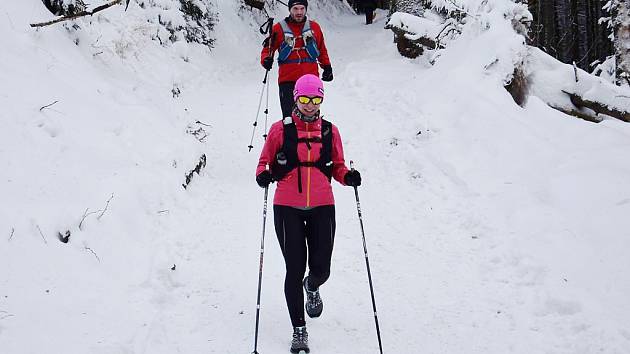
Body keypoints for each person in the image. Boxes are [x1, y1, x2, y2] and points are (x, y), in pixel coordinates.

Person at [255, 74, 361, 353]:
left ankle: (312, 287)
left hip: (322, 205)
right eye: (305, 99)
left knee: (321, 268)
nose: (310, 105)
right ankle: (298, 329)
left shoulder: (330, 131)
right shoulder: (280, 130)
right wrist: (263, 176)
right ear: (296, 98)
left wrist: (348, 176)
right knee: (294, 267)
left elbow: (337, 166)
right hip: (287, 205)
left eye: (316, 99)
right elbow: (263, 163)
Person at [260, 0, 333, 118]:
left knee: (310, 115)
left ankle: (311, 136)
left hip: (310, 80)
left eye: (302, 8)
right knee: (289, 119)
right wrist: (266, 60)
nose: (299, 12)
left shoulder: (315, 27)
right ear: (290, 10)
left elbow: (321, 49)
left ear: (306, 9)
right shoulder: (278, 28)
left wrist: (327, 67)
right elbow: (267, 49)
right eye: (295, 9)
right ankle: (289, 136)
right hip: (287, 80)